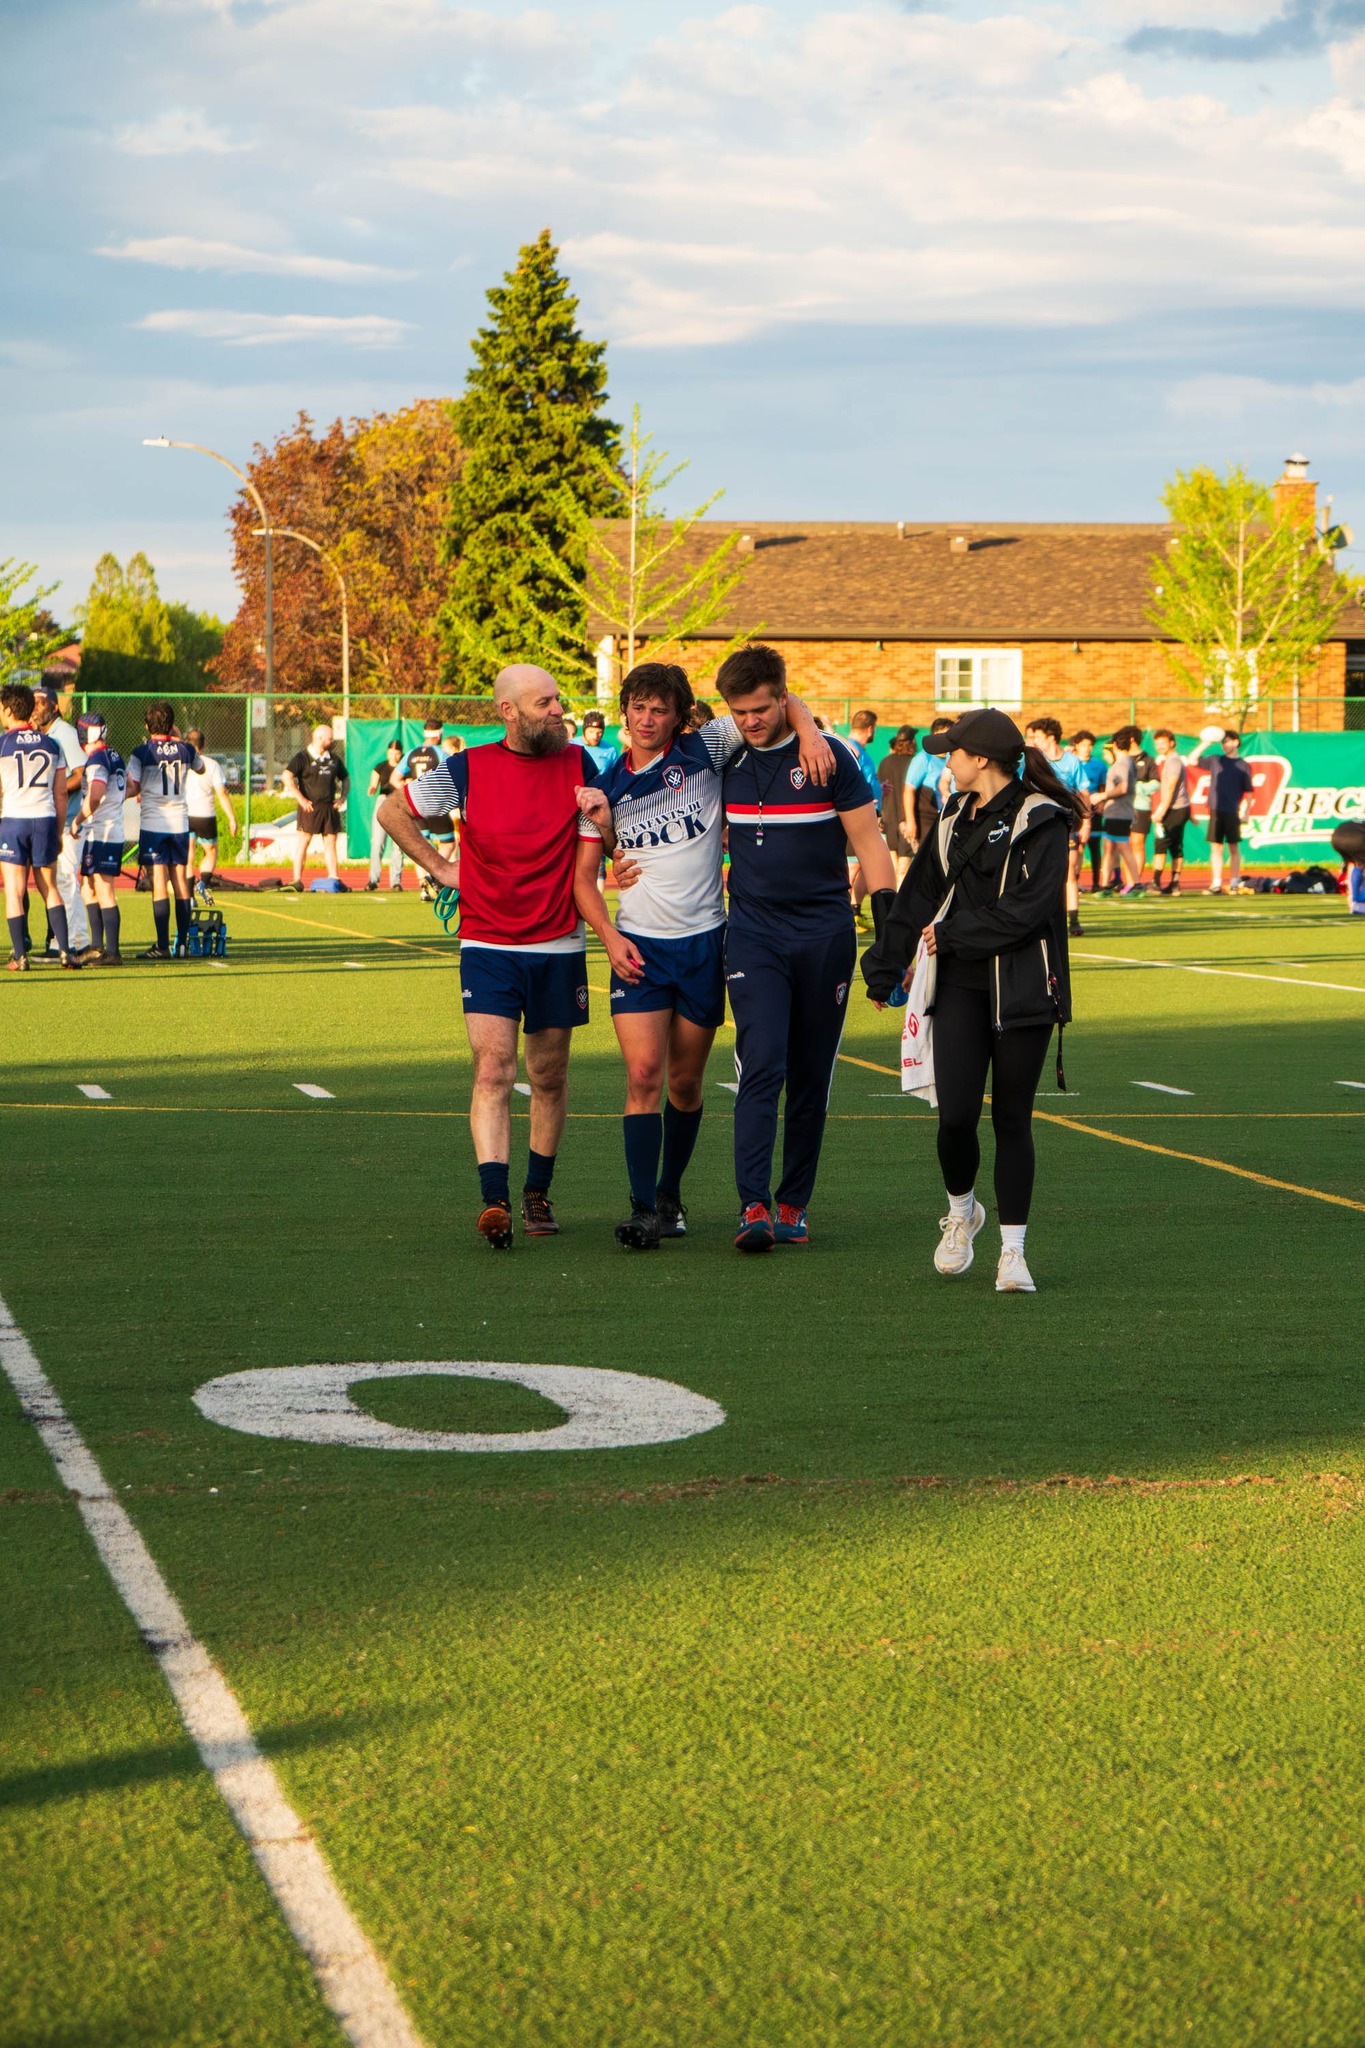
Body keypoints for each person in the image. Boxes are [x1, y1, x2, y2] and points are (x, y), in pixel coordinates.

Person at [575, 661, 834, 1250]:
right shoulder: (604, 788)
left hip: (705, 944)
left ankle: (670, 1193)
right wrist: (610, 938)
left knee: (686, 1083)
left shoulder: (706, 749)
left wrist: (813, 732)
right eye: (638, 707)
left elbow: (773, 702)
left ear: (678, 714)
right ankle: (642, 1208)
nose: (647, 719)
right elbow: (584, 880)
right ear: (625, 711)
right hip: (637, 946)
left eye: (660, 709)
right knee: (643, 1074)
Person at [375, 664, 608, 1251]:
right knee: (493, 1068)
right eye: (546, 702)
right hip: (488, 943)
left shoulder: (580, 762)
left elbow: (608, 830)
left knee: (548, 1075)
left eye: (559, 700)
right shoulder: (466, 768)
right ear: (509, 712)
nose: (560, 710)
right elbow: (390, 812)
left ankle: (538, 1192)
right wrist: (440, 869)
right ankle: (495, 1200)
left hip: (558, 942)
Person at [862, 707, 1081, 1294]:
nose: (946, 759)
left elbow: (1031, 910)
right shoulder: (955, 815)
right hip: (958, 983)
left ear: (980, 759)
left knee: (1012, 1119)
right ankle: (962, 1211)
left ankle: (1013, 1252)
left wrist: (952, 933)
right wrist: (884, 965)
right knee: (956, 1117)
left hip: (1025, 987)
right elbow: (918, 895)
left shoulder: (1044, 820)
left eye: (953, 751)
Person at [714, 645, 895, 1252]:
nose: (750, 721)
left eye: (761, 709)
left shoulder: (832, 755)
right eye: (738, 712)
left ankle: (794, 1202)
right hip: (753, 934)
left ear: (782, 696)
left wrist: (889, 934)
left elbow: (870, 846)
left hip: (824, 935)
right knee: (761, 1062)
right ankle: (752, 1204)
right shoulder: (722, 750)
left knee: (812, 1076)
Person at [0, 682, 79, 970]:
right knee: (50, 887)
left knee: (14, 890)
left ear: (8, 710)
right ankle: (65, 952)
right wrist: (57, 832)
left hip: (14, 820)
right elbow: (61, 793)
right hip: (44, 819)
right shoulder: (51, 744)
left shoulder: (2, 745)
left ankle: (20, 956)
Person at [126, 701, 205, 959]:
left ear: (147, 726)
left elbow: (134, 786)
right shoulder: (186, 750)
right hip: (179, 823)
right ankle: (182, 943)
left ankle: (162, 945)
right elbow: (201, 768)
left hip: (153, 823)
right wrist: (179, 740)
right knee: (180, 881)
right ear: (172, 725)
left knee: (159, 882)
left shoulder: (141, 752)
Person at [33, 677, 92, 956]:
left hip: (69, 820)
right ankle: (63, 940)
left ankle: (75, 941)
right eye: (32, 702)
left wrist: (51, 788)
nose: (35, 707)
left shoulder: (64, 732)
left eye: (41, 702)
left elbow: (80, 776)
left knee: (67, 878)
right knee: (57, 881)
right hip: (53, 818)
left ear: (55, 707)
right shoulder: (41, 735)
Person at [1025, 716, 1090, 937]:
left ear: (1051, 738)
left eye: (1039, 737)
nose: (1035, 741)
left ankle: (1073, 919)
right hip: (1042, 822)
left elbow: (1084, 793)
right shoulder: (1035, 760)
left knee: (1069, 872)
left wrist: (1086, 822)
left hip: (1067, 823)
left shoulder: (1072, 762)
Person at [74, 713, 127, 964]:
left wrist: (77, 819)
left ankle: (112, 951)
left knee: (104, 888)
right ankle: (97, 946)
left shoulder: (96, 760)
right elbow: (129, 787)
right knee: (88, 886)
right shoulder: (114, 754)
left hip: (103, 831)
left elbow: (95, 795)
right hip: (106, 829)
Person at [282, 724, 348, 891]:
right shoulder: (302, 757)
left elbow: (346, 778)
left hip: (328, 807)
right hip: (310, 807)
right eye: (329, 738)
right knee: (304, 841)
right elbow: (286, 776)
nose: (332, 741)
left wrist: (342, 798)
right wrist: (301, 798)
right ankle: (297, 879)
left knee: (330, 841)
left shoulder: (333, 759)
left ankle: (333, 877)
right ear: (319, 738)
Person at [184, 729, 237, 902]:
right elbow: (222, 792)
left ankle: (189, 896)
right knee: (211, 851)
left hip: (184, 813)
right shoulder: (211, 764)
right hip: (205, 815)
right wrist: (231, 818)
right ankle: (203, 883)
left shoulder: (181, 763)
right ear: (203, 745)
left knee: (188, 853)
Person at [1200, 730, 1254, 894]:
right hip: (1216, 809)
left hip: (1232, 810)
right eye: (1223, 742)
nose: (1225, 745)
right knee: (1216, 847)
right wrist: (1206, 743)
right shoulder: (1216, 760)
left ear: (1236, 742)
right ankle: (1216, 882)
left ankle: (1234, 881)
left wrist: (1246, 813)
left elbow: (1249, 791)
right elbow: (1192, 760)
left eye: (1228, 742)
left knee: (1233, 847)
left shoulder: (1243, 765)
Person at [1097, 725, 1144, 895]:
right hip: (1116, 812)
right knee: (1109, 848)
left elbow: (1123, 788)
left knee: (1124, 847)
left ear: (1115, 744)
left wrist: (1102, 796)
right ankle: (1105, 885)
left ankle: (1137, 884)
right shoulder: (1125, 762)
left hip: (1119, 813)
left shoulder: (1123, 763)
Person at [846, 709, 882, 923]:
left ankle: (854, 910)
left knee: (860, 864)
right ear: (871, 729)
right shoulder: (852, 749)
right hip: (858, 815)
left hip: (868, 812)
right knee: (854, 865)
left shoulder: (859, 749)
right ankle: (848, 909)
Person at [1150, 730, 1191, 896]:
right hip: (1178, 808)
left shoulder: (1174, 761)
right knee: (1174, 846)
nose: (1160, 746)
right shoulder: (1170, 760)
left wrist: (1161, 810)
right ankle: (1174, 884)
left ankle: (1156, 882)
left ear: (1172, 743)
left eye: (1163, 743)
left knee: (1163, 844)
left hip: (1174, 809)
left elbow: (1171, 787)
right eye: (1157, 744)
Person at [878, 725, 918, 883]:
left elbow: (880, 789)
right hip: (907, 816)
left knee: (893, 860)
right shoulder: (914, 762)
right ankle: (899, 900)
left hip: (889, 815)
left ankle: (892, 898)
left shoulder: (885, 762)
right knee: (904, 863)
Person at [366, 738, 407, 890]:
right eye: (391, 752)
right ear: (387, 752)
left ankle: (396, 881)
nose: (394, 756)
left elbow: (407, 784)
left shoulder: (405, 767)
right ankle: (373, 879)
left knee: (398, 845)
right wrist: (371, 788)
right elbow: (374, 784)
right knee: (377, 843)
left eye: (397, 753)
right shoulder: (380, 767)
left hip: (399, 804)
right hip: (383, 803)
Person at [907, 718, 953, 850]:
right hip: (926, 818)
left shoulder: (953, 756)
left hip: (946, 817)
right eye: (942, 735)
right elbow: (908, 789)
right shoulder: (924, 758)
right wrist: (911, 821)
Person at [1069, 732, 1107, 892]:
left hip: (1093, 810)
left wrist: (1101, 802)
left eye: (1090, 745)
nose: (1088, 748)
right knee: (1076, 848)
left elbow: (1102, 786)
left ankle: (1097, 883)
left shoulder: (1099, 765)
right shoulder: (1071, 762)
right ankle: (1074, 881)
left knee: (1094, 846)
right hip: (1075, 810)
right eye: (1084, 745)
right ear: (1076, 745)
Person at [1130, 739, 1159, 887]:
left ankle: (1135, 881)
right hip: (1124, 807)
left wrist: (1139, 787)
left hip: (1141, 806)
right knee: (1125, 844)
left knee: (1138, 843)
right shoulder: (1122, 758)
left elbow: (1156, 783)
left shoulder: (1148, 760)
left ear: (1132, 739)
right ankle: (1126, 880)